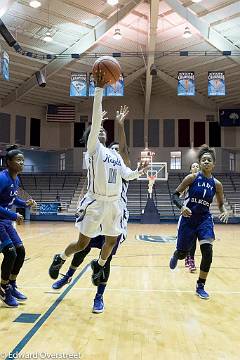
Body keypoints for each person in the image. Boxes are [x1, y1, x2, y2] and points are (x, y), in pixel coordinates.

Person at [49, 76, 147, 286]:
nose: (101, 131)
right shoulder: (94, 150)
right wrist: (99, 89)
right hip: (96, 202)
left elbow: (128, 174)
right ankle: (60, 258)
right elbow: (95, 119)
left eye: (103, 129)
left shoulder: (116, 155)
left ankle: (99, 265)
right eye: (97, 130)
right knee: (82, 244)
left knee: (111, 241)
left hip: (113, 204)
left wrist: (139, 171)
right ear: (91, 137)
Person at [51, 106, 131, 314]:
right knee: (82, 247)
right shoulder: (97, 155)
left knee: (107, 260)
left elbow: (123, 150)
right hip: (98, 208)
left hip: (113, 213)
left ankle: (99, 297)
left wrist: (120, 126)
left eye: (116, 150)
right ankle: (67, 276)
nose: (114, 153)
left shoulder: (120, 161)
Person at [169, 144, 228, 299]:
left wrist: (224, 211)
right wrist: (181, 206)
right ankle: (177, 254)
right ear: (200, 163)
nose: (206, 162)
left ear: (213, 164)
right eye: (204, 160)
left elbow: (221, 204)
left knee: (207, 252)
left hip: (204, 219)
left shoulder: (217, 184)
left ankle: (200, 285)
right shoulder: (192, 178)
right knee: (183, 254)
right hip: (188, 218)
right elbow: (175, 195)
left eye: (209, 160)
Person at [0, 145, 36, 307]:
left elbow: (12, 200)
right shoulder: (2, 178)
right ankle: (3, 287)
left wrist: (25, 203)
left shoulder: (16, 179)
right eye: (18, 160)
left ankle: (12, 284)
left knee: (20, 251)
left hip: (6, 222)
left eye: (23, 160)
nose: (22, 163)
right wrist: (14, 215)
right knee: (10, 253)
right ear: (9, 162)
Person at [184, 162, 200, 272]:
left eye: (197, 166)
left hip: (198, 214)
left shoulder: (203, 182)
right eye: (193, 166)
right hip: (187, 213)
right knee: (187, 239)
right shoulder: (187, 180)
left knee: (194, 239)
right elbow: (178, 194)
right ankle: (187, 256)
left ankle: (191, 260)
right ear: (190, 170)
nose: (195, 167)